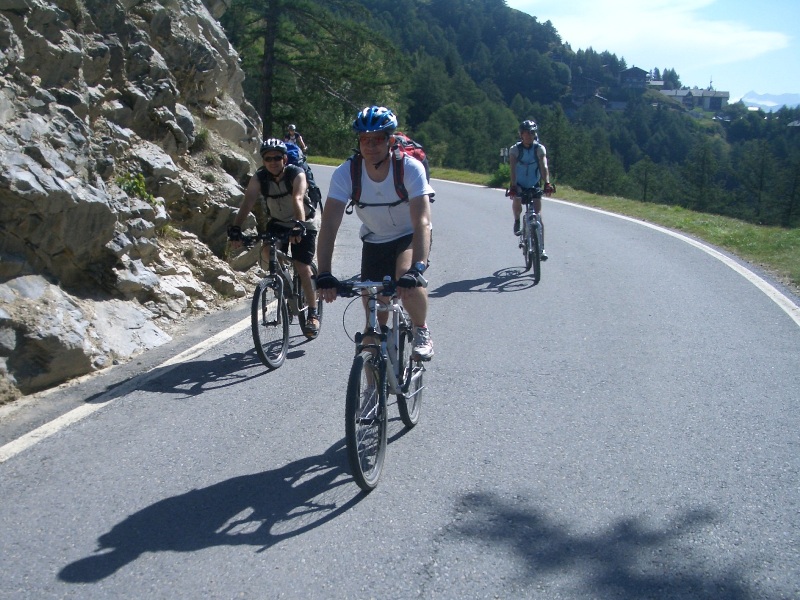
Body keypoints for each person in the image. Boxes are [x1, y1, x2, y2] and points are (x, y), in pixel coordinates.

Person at [316, 106, 435, 360]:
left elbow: (422, 222)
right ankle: (371, 378)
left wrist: (418, 267)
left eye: (378, 139)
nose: (370, 146)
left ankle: (421, 329)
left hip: (408, 236)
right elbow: (329, 226)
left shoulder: (409, 168)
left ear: (390, 140)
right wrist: (324, 272)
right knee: (373, 323)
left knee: (405, 277)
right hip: (374, 240)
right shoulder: (346, 173)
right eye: (364, 139)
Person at [228, 138, 321, 338]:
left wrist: (298, 225)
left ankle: (313, 313)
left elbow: (297, 198)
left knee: (301, 265)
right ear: (263, 160)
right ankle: (285, 288)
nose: (273, 162)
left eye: (277, 158)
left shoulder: (296, 173)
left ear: (284, 159)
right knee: (267, 252)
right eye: (268, 158)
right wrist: (236, 228)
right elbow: (248, 201)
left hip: (303, 222)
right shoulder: (260, 177)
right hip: (278, 223)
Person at [509, 119, 555, 260]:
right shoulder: (515, 150)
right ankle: (517, 220)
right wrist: (513, 186)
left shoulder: (539, 149)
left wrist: (547, 183)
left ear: (535, 134)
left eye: (531, 133)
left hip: (534, 184)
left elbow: (544, 166)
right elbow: (512, 169)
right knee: (517, 200)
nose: (529, 135)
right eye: (526, 133)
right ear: (521, 134)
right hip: (519, 184)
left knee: (538, 216)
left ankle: (541, 249)